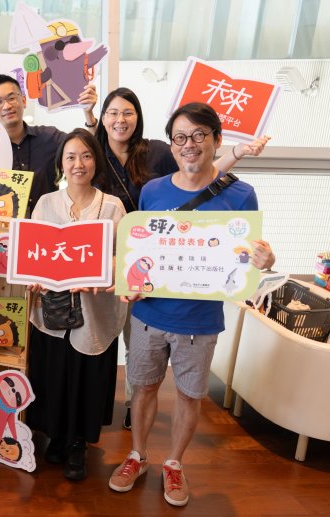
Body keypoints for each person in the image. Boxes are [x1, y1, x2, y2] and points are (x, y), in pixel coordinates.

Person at [107, 102, 276, 507]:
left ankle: (174, 463)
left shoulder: (241, 194)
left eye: (199, 135)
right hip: (149, 314)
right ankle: (138, 455)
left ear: (217, 140)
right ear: (172, 144)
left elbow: (247, 254)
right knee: (143, 388)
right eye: (180, 137)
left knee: (188, 395)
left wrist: (265, 259)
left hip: (200, 319)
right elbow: (142, 250)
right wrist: (130, 283)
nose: (189, 144)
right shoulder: (153, 190)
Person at [26, 129, 127, 481]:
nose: (78, 164)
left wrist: (101, 271)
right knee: (54, 371)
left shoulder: (112, 206)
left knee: (86, 376)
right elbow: (32, 253)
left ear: (96, 161)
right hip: (52, 308)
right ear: (61, 163)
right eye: (70, 157)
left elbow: (122, 259)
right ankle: (56, 435)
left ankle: (77, 443)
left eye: (86, 155)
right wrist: (33, 276)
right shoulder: (45, 203)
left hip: (94, 310)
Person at [0, 73, 99, 217]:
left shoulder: (49, 137)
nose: (7, 106)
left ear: (23, 100)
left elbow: (89, 148)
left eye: (11, 98)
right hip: (4, 228)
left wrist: (88, 114)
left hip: (50, 224)